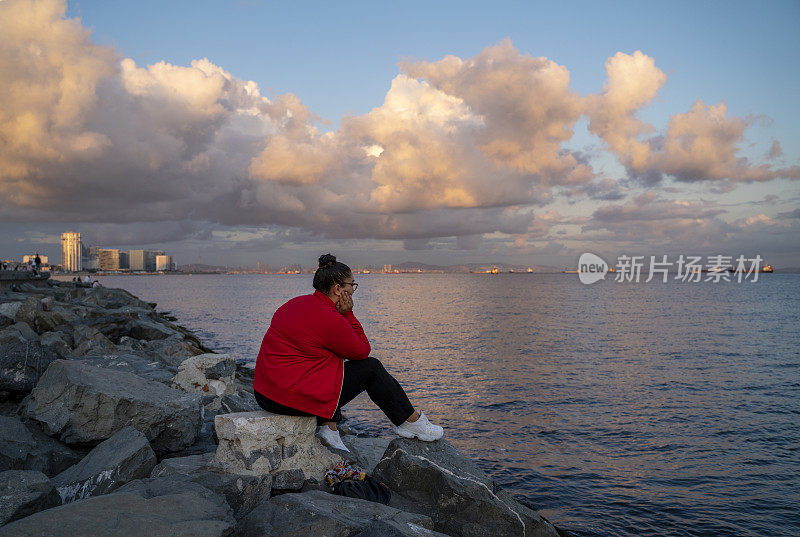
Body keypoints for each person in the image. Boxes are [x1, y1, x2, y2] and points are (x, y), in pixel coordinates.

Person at [253, 253, 443, 451]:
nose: (353, 290)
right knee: (371, 368)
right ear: (338, 289)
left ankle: (329, 428)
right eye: (352, 285)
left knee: (327, 360)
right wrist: (348, 314)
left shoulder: (294, 304)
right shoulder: (329, 317)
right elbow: (362, 351)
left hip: (264, 395)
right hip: (288, 401)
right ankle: (410, 422)